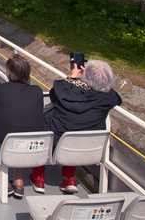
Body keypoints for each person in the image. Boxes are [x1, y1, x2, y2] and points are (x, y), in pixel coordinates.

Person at [29, 60, 122, 194]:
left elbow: (55, 92)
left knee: (39, 126)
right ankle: (69, 178)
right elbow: (113, 94)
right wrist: (97, 79)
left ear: (85, 77)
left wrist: (73, 78)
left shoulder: (64, 91)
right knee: (75, 133)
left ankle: (39, 178)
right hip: (87, 147)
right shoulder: (108, 99)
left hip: (54, 143)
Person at [0, 54, 44, 198]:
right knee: (20, 129)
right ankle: (18, 181)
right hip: (32, 150)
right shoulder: (37, 92)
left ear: (9, 72)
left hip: (5, 148)